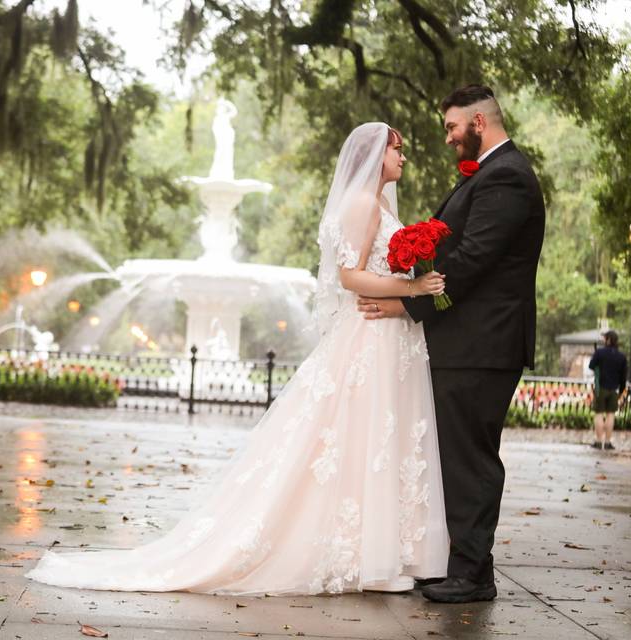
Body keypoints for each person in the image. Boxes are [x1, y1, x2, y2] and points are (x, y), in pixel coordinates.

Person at [26, 122, 450, 596]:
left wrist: (411, 285)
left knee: (376, 435)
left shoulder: (379, 204)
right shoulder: (363, 205)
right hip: (369, 336)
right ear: (375, 157)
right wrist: (414, 286)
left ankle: (381, 549)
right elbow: (351, 277)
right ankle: (362, 555)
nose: (403, 159)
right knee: (360, 435)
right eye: (398, 151)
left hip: (389, 335)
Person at [357, 85, 545, 603]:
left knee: (472, 457)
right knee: (454, 453)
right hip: (465, 341)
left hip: (484, 345)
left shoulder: (506, 176)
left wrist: (406, 304)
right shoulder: (489, 174)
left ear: (478, 123)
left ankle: (473, 575)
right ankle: (459, 563)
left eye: (451, 127)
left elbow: (472, 262)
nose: (447, 138)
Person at [589, 330, 627, 451]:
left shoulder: (600, 353)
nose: (604, 340)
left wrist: (598, 363)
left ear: (609, 340)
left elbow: (591, 366)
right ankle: (608, 442)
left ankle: (599, 442)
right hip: (614, 389)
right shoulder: (621, 357)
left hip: (601, 388)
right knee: (611, 415)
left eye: (605, 338)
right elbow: (623, 376)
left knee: (599, 414)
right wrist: (621, 390)